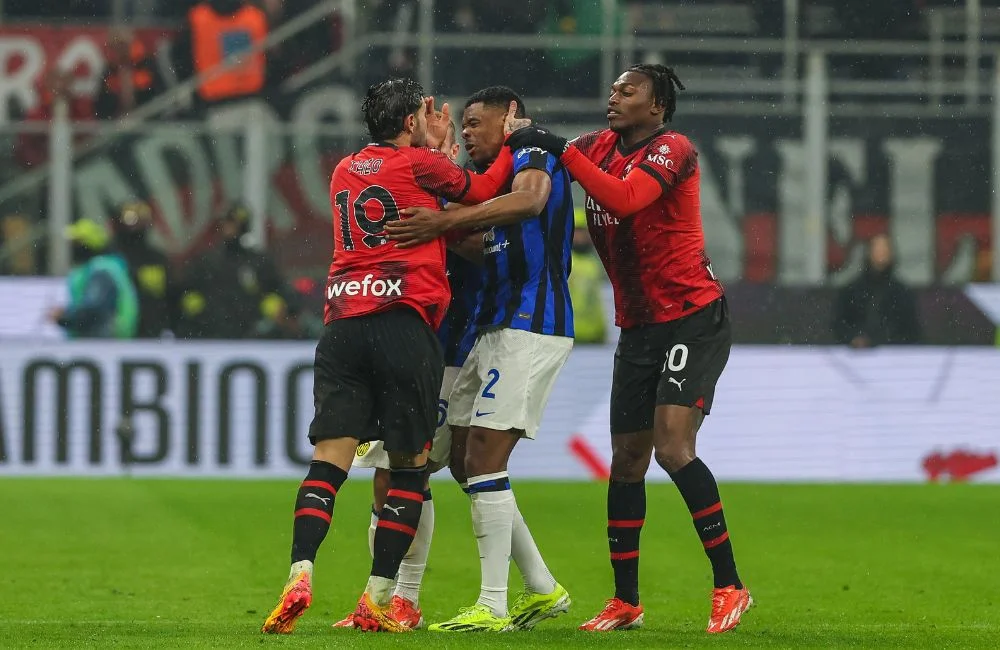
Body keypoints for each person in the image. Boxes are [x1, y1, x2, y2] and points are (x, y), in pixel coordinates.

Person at [260, 78, 516, 635]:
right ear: (408, 124)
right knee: (409, 464)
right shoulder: (420, 166)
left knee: (329, 461)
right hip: (403, 323)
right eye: (423, 117)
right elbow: (485, 187)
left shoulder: (344, 169)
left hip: (343, 325)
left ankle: (301, 569)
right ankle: (378, 594)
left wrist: (428, 147)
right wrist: (515, 140)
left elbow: (406, 181)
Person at [506, 64, 753, 634]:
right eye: (614, 90)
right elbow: (543, 162)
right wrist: (515, 136)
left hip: (692, 316)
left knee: (671, 446)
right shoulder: (595, 146)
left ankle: (729, 585)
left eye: (628, 91)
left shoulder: (674, 149)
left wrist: (558, 150)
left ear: (658, 107)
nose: (614, 98)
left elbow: (626, 197)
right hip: (639, 326)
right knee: (626, 462)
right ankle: (625, 601)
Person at [384, 85, 574, 632]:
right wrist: (439, 178)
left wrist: (441, 221)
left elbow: (532, 201)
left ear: (510, 116)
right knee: (468, 461)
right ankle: (540, 588)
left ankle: (492, 604)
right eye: (462, 126)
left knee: (486, 459)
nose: (468, 133)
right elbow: (469, 241)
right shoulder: (491, 186)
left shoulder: (532, 150)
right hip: (493, 330)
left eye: (475, 122)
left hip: (531, 325)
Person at [330, 119, 476, 630]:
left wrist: (440, 210)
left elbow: (481, 247)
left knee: (449, 470)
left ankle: (411, 596)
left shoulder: (465, 185)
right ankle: (384, 598)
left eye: (472, 128)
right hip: (399, 333)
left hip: (451, 344)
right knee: (388, 473)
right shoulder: (405, 178)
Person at [175, 203, 296, 339]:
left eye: (235, 224)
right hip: (212, 335)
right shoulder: (207, 261)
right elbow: (183, 290)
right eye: (228, 222)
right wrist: (194, 306)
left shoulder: (258, 261)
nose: (229, 227)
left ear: (244, 227)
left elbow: (281, 290)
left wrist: (278, 306)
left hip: (252, 335)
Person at [49, 219, 139, 339]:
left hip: (101, 345)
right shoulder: (105, 267)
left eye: (76, 242)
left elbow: (93, 311)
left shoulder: (101, 272)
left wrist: (65, 318)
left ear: (86, 244)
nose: (71, 247)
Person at [832, 233, 922, 347]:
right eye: (877, 249)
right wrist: (854, 339)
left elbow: (911, 330)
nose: (881, 254)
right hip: (855, 357)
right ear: (869, 253)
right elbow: (840, 325)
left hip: (894, 357)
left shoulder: (902, 293)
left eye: (884, 249)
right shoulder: (851, 291)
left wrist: (885, 341)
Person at [109, 201, 175, 338]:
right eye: (131, 219)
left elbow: (170, 294)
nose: (135, 226)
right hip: (118, 331)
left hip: (151, 330)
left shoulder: (157, 259)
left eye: (141, 220)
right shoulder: (110, 258)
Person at [569, 207, 608, 344]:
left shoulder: (593, 262)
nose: (580, 237)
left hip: (594, 336)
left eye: (583, 232)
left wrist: (602, 330)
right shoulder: (565, 262)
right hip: (571, 335)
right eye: (576, 232)